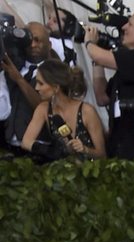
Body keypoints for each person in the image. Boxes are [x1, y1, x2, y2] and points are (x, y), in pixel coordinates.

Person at [83, 10, 134, 158]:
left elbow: (100, 55)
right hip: (118, 148)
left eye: (130, 24)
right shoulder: (127, 67)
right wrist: (97, 62)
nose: (124, 28)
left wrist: (89, 42)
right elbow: (102, 97)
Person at [21, 57, 105, 159]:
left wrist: (84, 149)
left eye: (41, 83)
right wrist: (49, 150)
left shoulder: (87, 111)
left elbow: (102, 154)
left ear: (56, 88)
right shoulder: (43, 109)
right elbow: (26, 142)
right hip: (62, 171)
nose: (36, 88)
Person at [1, 20, 49, 151]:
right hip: (9, 144)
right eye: (29, 40)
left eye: (38, 40)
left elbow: (45, 108)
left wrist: (18, 79)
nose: (33, 45)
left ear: (49, 44)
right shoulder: (13, 67)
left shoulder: (53, 71)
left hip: (38, 146)